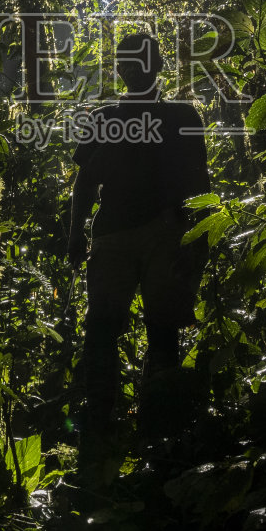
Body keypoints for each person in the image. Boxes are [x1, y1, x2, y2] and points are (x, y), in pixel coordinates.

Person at [66, 32, 210, 470]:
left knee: (162, 329)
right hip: (113, 234)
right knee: (102, 329)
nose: (134, 69)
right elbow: (85, 181)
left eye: (142, 60)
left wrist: (198, 239)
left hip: (165, 230)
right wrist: (76, 234)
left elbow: (199, 182)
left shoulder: (182, 116)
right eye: (126, 61)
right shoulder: (104, 117)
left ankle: (157, 432)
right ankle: (98, 427)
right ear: (119, 70)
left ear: (158, 66)